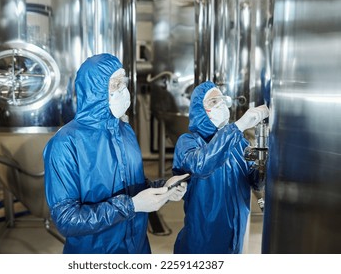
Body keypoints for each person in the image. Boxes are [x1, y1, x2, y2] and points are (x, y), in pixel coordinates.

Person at [43, 53, 188, 254]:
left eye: (124, 83)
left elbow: (133, 185)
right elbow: (67, 219)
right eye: (115, 84)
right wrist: (131, 206)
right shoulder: (65, 143)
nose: (123, 90)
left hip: (137, 247)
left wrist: (163, 188)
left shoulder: (124, 130)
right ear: (95, 89)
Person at [172, 81, 269, 254]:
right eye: (213, 102)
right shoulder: (188, 142)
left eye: (222, 100)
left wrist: (264, 163)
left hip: (235, 235)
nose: (221, 105)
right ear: (199, 109)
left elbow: (255, 182)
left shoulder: (238, 142)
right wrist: (238, 126)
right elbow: (201, 165)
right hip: (202, 239)